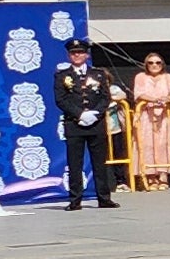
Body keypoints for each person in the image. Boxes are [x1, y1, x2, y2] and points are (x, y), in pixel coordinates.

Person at [49, 38, 122, 210]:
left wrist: (95, 113)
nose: (77, 55)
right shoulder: (62, 76)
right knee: (75, 163)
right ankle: (75, 199)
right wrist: (80, 114)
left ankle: (104, 198)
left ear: (86, 55)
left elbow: (105, 97)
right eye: (74, 53)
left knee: (99, 163)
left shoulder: (98, 74)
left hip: (96, 124)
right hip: (75, 124)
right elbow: (61, 99)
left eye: (80, 52)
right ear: (69, 55)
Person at [127, 52, 170, 189]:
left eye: (158, 62)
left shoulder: (168, 77)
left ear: (162, 64)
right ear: (146, 65)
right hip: (145, 115)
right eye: (151, 63)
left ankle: (163, 176)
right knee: (146, 145)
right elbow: (139, 94)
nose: (154, 65)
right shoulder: (141, 77)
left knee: (163, 144)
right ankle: (150, 177)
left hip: (163, 115)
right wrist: (155, 99)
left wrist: (167, 99)